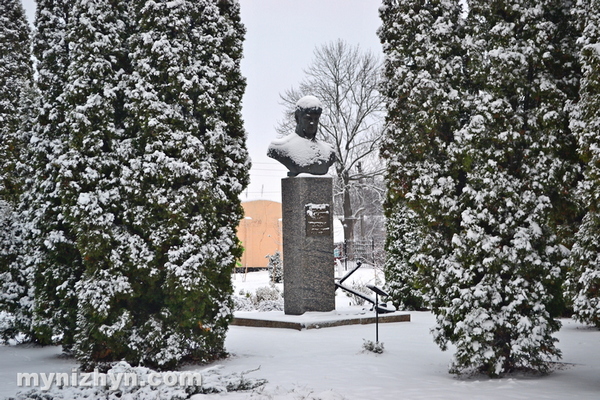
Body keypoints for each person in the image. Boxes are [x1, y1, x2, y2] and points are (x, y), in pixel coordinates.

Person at [267, 96, 336, 176]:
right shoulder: (281, 147)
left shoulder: (329, 151)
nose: (312, 123)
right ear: (297, 119)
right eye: (308, 119)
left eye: (316, 119)